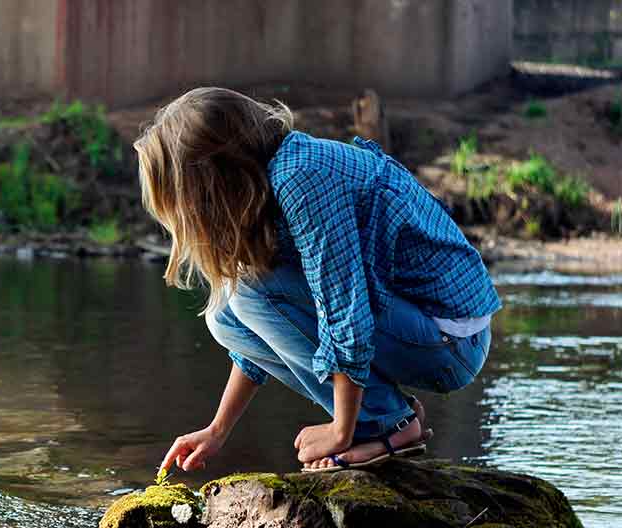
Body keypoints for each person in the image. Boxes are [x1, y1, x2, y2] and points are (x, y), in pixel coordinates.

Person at [135, 87, 500, 473]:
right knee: (225, 315)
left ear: (212, 178)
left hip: (453, 338)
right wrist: (218, 430)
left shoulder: (301, 178)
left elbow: (344, 310)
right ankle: (382, 421)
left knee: (246, 296)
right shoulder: (275, 180)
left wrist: (341, 431)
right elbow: (259, 336)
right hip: (420, 326)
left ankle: (387, 426)